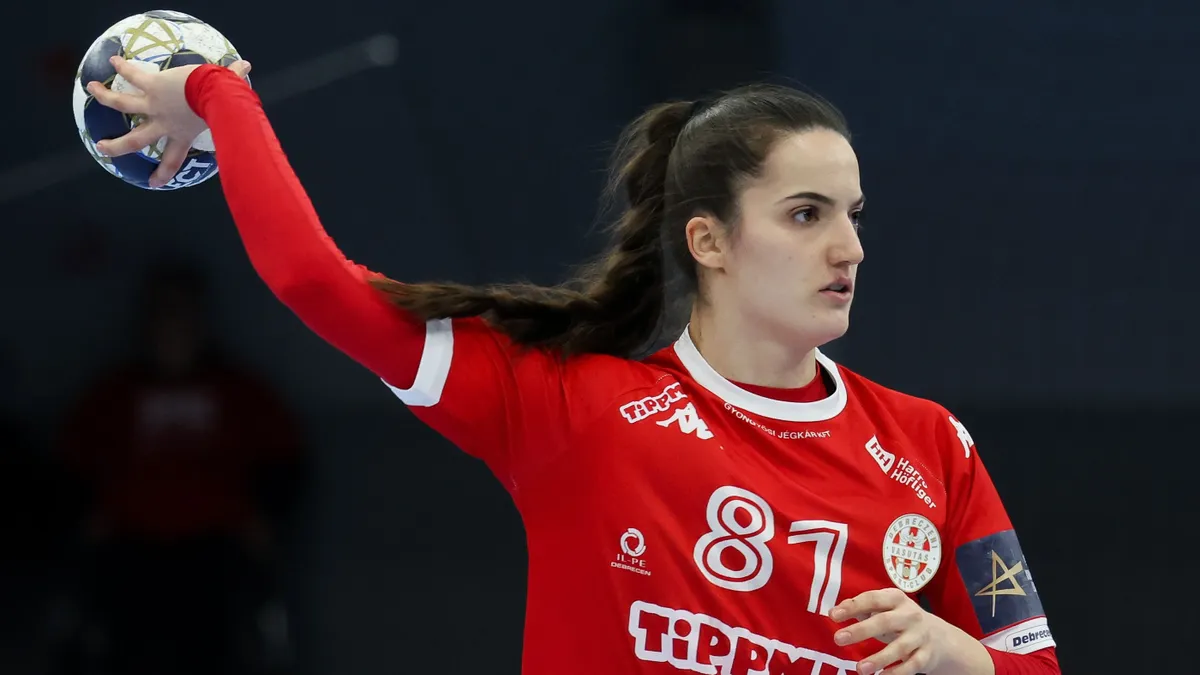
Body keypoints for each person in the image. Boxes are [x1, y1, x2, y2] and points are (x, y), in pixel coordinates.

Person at [86, 55, 1060, 675]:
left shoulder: (932, 445)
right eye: (806, 214)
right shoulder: (572, 407)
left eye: (853, 215)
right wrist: (217, 92)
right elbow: (314, 280)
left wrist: (956, 656)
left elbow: (1031, 666)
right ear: (709, 241)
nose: (849, 247)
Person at [56, 260, 303, 675]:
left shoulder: (240, 393)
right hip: (130, 554)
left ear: (200, 320)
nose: (171, 326)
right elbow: (71, 465)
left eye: (181, 312)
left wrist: (263, 519)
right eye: (162, 312)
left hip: (214, 557)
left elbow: (285, 463)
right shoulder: (112, 395)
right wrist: (87, 519)